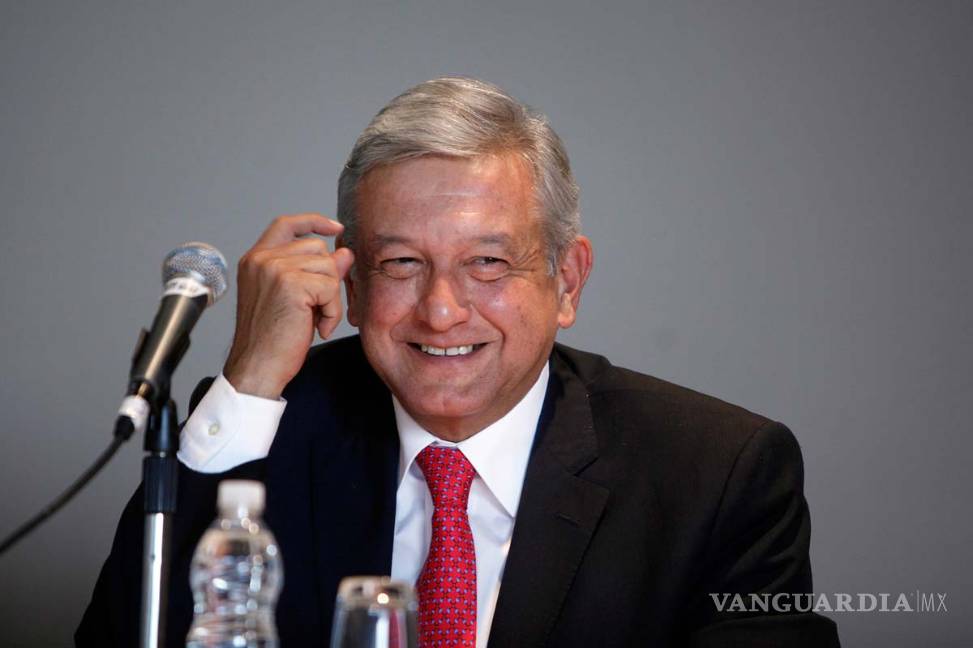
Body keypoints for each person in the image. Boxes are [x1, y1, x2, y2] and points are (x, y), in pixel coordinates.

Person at [77, 77, 840, 647]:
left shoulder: (714, 472)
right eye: (402, 263)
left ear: (566, 281)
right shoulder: (270, 425)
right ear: (352, 281)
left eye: (487, 263)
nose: (441, 311)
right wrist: (246, 382)